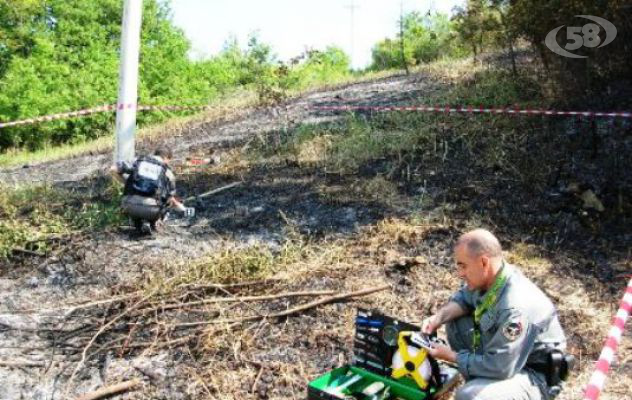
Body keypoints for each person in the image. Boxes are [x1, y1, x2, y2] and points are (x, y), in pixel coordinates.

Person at [422, 229, 571, 400]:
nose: (460, 273)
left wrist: (452, 356)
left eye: (463, 266)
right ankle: (483, 385)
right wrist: (438, 318)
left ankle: (486, 391)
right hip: (511, 361)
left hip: (535, 375)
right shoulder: (495, 278)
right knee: (455, 321)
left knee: (468, 396)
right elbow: (464, 299)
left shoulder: (515, 307)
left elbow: (500, 367)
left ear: (484, 262)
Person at [110, 146, 194, 234]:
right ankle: (153, 223)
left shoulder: (138, 161)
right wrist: (185, 210)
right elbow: (171, 199)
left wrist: (126, 182)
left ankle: (138, 224)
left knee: (133, 199)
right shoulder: (167, 172)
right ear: (166, 158)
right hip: (151, 210)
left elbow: (113, 169)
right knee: (166, 200)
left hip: (128, 205)